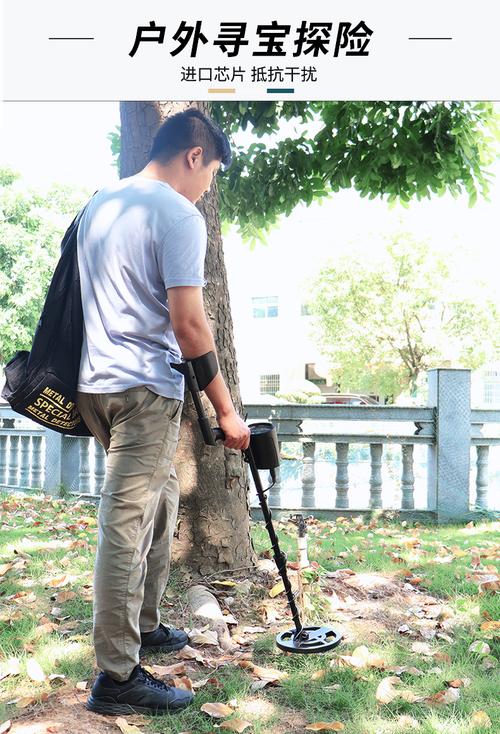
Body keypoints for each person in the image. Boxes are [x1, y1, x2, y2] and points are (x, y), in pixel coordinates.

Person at [75, 107, 250, 717]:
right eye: (211, 176)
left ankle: (144, 625)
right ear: (194, 155)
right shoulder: (178, 211)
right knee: (124, 524)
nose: (206, 191)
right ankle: (116, 676)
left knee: (164, 497)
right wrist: (226, 412)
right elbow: (189, 323)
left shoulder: (102, 203)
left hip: (96, 385)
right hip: (142, 389)